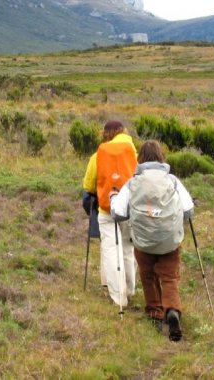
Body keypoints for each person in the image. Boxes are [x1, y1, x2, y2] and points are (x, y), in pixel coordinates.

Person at [110, 140, 195, 342]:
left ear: (140, 158)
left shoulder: (133, 182)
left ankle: (155, 314)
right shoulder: (172, 180)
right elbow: (188, 210)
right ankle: (172, 311)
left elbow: (118, 213)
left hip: (143, 241)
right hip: (170, 240)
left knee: (148, 275)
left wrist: (114, 197)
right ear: (161, 157)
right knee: (169, 277)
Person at [81, 120, 137, 308]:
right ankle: (130, 290)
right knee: (128, 249)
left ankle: (119, 297)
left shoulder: (99, 154)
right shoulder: (134, 152)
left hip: (107, 208)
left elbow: (88, 185)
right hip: (130, 208)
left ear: (106, 133)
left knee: (112, 251)